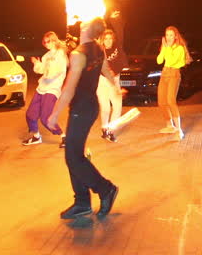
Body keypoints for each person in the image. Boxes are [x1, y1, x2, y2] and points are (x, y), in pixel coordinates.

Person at [46, 16, 119, 220]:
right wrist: (116, 87)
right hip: (89, 108)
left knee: (73, 157)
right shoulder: (97, 49)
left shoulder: (79, 54)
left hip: (80, 108)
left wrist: (53, 115)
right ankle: (82, 202)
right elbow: (106, 70)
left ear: (87, 29)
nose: (80, 24)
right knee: (74, 156)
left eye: (84, 24)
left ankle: (105, 189)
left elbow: (68, 90)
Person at [23, 30, 68, 146]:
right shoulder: (46, 56)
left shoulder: (60, 54)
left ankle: (64, 136)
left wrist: (49, 73)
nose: (47, 44)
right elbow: (42, 70)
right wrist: (36, 64)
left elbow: (59, 71)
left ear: (54, 41)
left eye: (49, 41)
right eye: (45, 42)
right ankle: (36, 136)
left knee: (45, 118)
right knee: (30, 114)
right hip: (42, 87)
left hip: (52, 89)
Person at [98, 12, 128, 142]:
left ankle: (110, 130)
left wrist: (115, 18)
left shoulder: (117, 47)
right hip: (102, 81)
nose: (108, 41)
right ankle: (105, 129)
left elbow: (120, 30)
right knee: (105, 108)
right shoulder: (99, 52)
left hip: (115, 79)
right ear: (102, 40)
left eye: (110, 38)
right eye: (106, 39)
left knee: (117, 107)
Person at [157, 26, 191, 137]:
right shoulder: (165, 46)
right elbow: (159, 60)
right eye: (167, 35)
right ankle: (169, 126)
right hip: (164, 74)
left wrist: (167, 49)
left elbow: (171, 61)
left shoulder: (179, 48)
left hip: (174, 74)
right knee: (161, 102)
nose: (169, 37)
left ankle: (179, 130)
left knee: (171, 101)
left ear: (176, 36)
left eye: (171, 35)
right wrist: (164, 49)